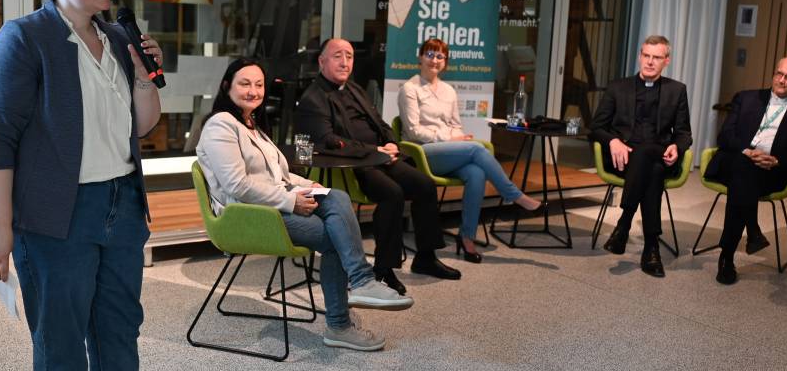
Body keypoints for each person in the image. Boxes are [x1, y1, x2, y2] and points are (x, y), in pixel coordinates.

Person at [0, 0, 163, 370]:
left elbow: (142, 126)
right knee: (60, 340)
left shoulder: (118, 38)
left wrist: (141, 72)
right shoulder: (24, 38)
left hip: (122, 204)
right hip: (57, 213)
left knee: (119, 330)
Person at [196, 58, 414, 352]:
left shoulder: (252, 125)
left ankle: (361, 283)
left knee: (336, 196)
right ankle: (340, 322)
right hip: (248, 215)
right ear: (227, 86)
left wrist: (306, 185)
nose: (253, 91)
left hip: (272, 203)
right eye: (244, 83)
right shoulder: (221, 125)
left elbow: (279, 174)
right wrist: (290, 200)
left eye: (258, 84)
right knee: (335, 237)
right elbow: (238, 186)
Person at [295, 38, 460, 296]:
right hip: (352, 165)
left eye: (349, 56)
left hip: (381, 157)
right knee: (392, 193)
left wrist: (391, 142)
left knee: (424, 184)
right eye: (338, 55)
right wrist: (374, 152)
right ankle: (384, 269)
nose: (345, 62)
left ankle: (425, 256)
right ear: (322, 61)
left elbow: (380, 123)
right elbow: (329, 141)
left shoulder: (355, 89)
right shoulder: (313, 98)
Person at [397, 38, 543, 263]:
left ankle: (467, 238)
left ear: (445, 62)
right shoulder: (410, 88)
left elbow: (456, 124)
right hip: (422, 153)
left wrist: (456, 137)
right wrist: (450, 137)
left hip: (446, 151)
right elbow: (413, 130)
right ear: (420, 57)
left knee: (476, 173)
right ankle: (514, 195)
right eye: (430, 54)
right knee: (476, 149)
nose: (434, 60)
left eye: (440, 56)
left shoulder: (449, 91)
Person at [706, 56, 787, 285]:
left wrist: (777, 160)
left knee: (743, 178)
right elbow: (725, 136)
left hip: (771, 171)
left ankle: (728, 254)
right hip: (735, 162)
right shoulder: (746, 97)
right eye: (778, 73)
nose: (781, 80)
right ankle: (748, 234)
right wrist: (747, 152)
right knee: (743, 167)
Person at [589, 35, 692, 278]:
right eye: (646, 55)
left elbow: (684, 133)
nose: (649, 62)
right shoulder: (618, 87)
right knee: (652, 171)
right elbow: (595, 128)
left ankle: (624, 223)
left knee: (648, 154)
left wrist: (677, 147)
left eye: (656, 57)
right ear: (639, 56)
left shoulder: (676, 90)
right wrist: (613, 140)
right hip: (623, 159)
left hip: (660, 153)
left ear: (666, 61)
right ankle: (651, 248)